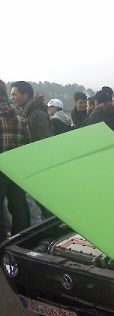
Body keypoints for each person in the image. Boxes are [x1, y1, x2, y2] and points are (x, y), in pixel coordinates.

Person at [11, 80, 53, 222]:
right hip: (35, 166)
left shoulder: (37, 115)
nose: (12, 98)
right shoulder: (29, 113)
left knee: (40, 204)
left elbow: (44, 144)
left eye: (15, 94)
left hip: (39, 168)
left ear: (26, 94)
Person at [0, 79, 30, 242]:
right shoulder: (20, 116)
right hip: (17, 168)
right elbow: (27, 144)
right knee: (19, 207)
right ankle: (22, 244)